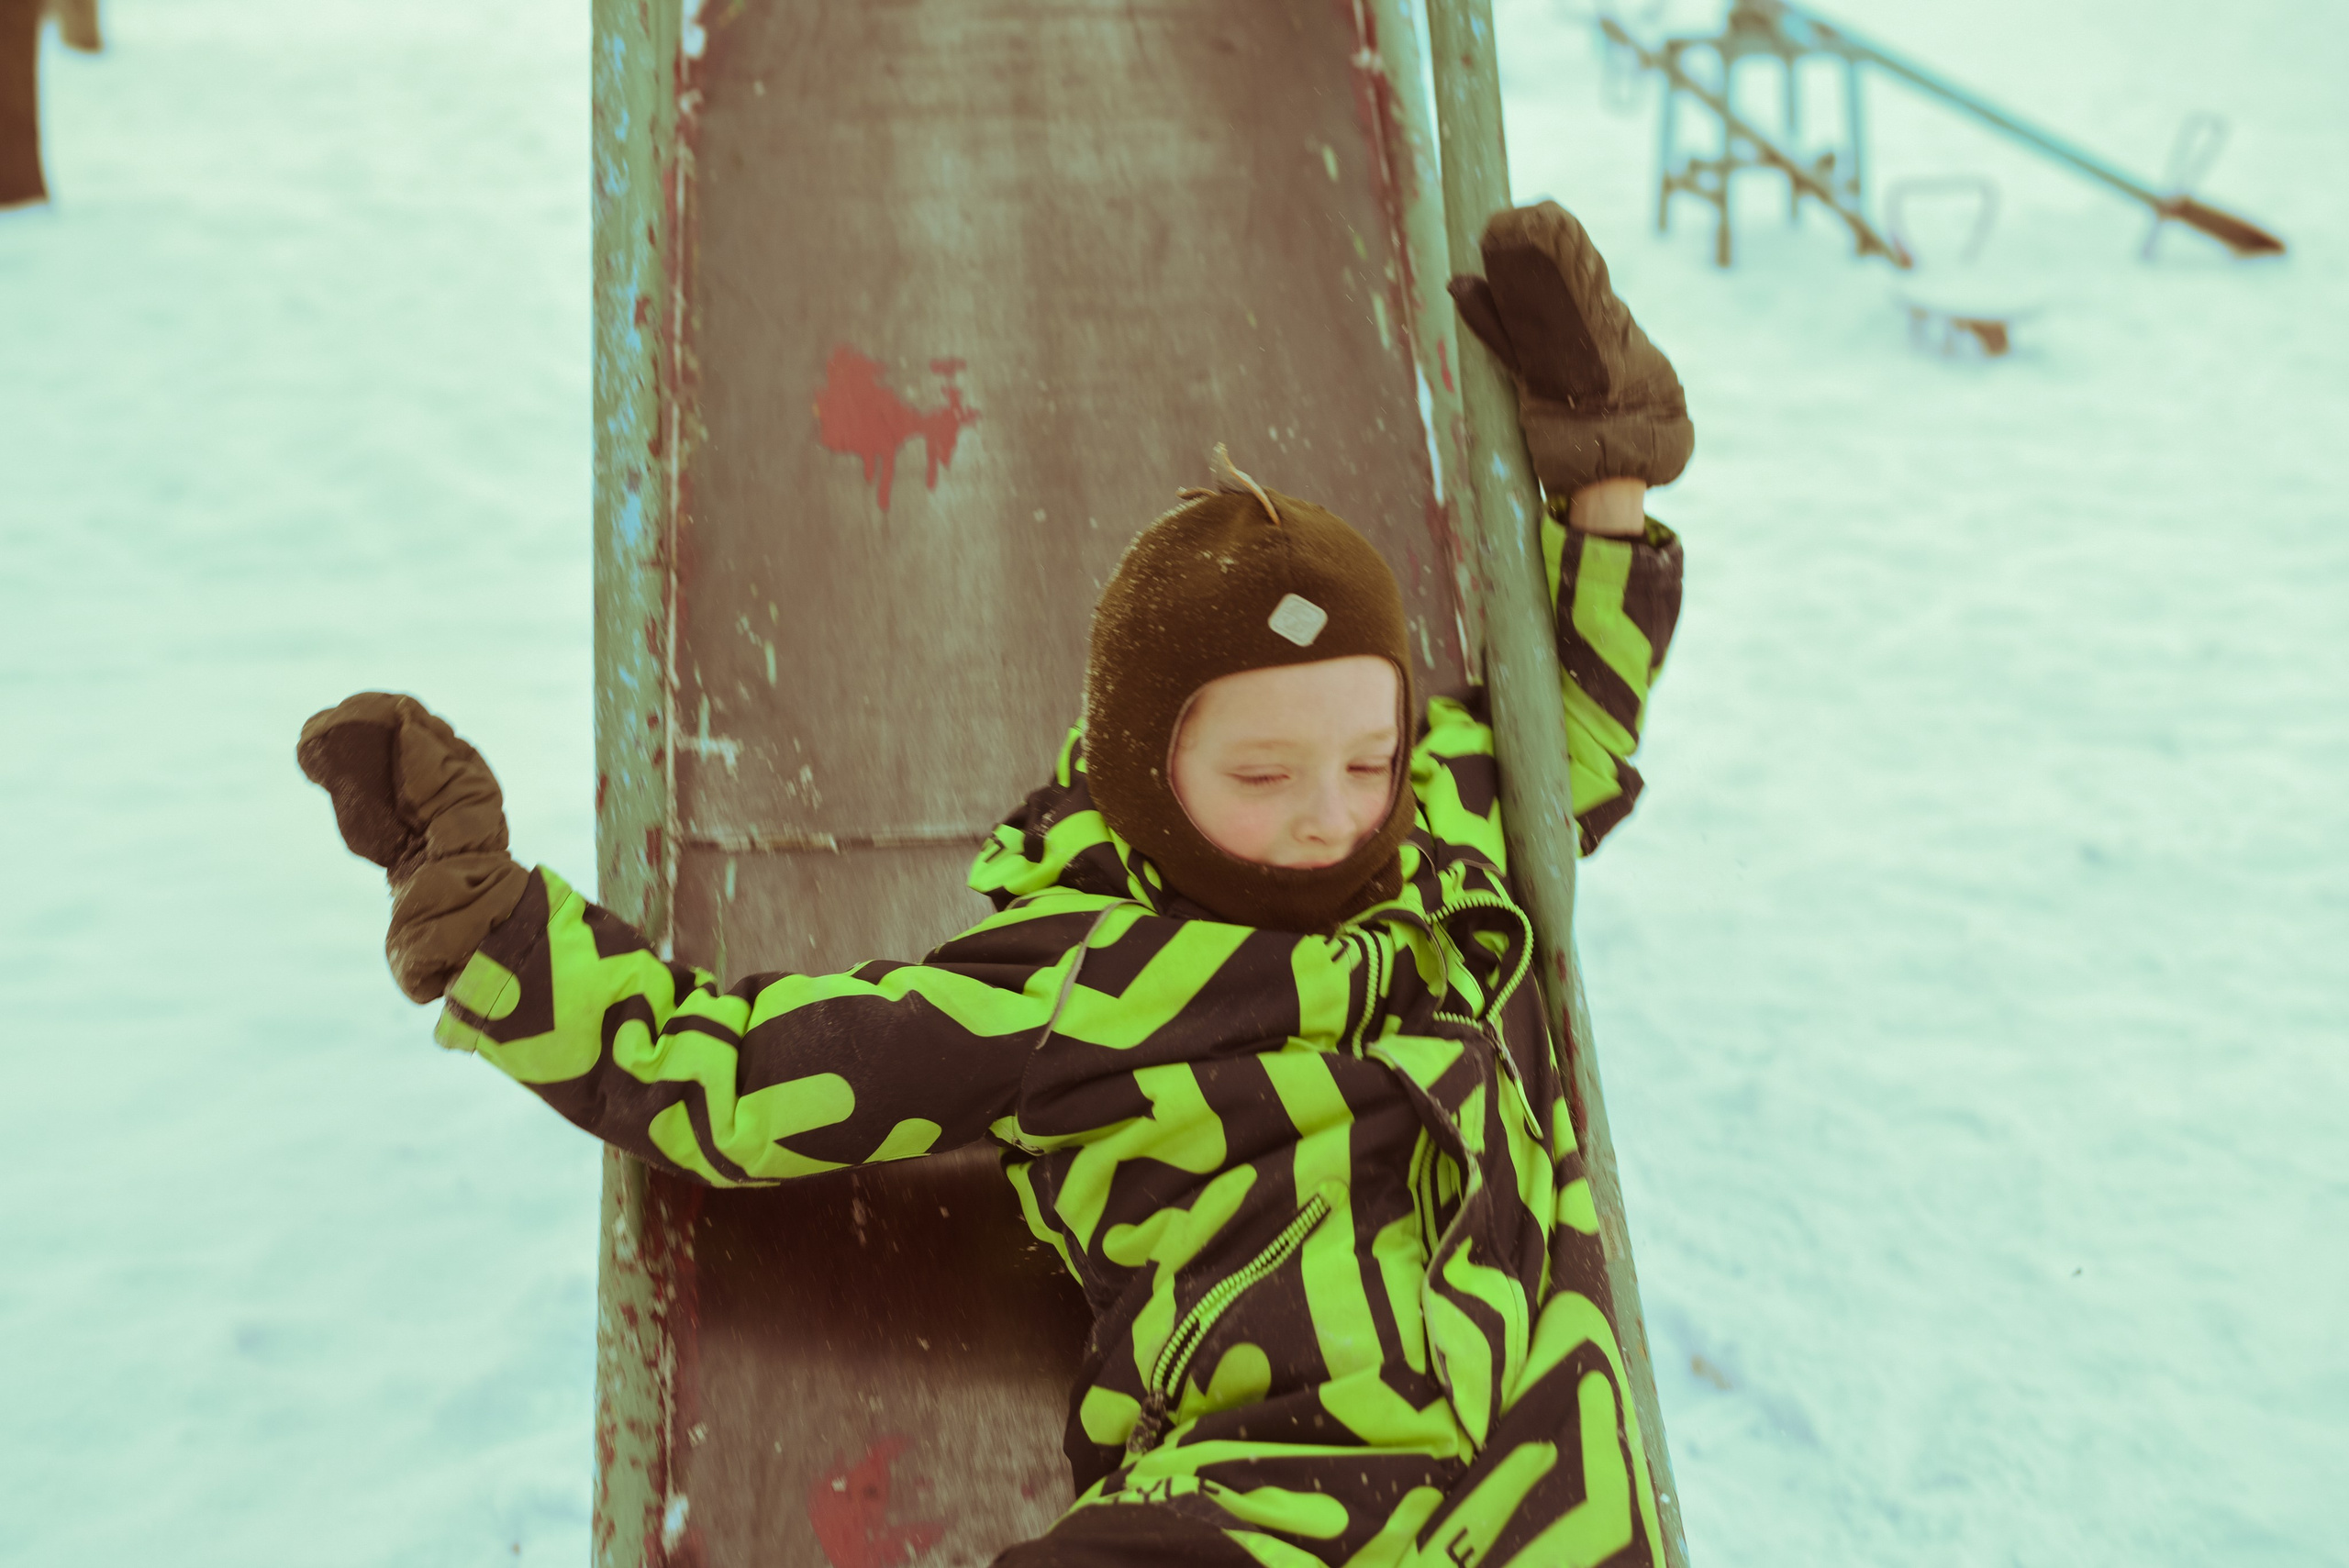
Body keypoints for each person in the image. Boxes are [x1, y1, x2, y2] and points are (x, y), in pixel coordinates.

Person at [300, 203, 1693, 1568]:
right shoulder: (1077, 975)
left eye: (1365, 758)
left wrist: (1603, 477)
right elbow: (729, 1077)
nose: (1331, 813)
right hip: (1260, 1486)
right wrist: (485, 919)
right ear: (1150, 774)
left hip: (1540, 1470)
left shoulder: (1433, 833)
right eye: (1262, 779)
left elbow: (1568, 730)